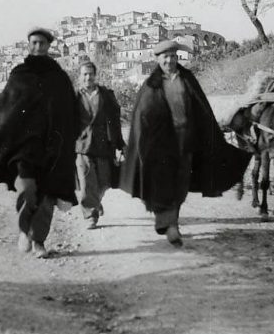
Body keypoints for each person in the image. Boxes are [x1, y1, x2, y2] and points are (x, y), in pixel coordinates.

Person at [0, 28, 78, 258]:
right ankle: (24, 230)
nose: (38, 47)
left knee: (47, 197)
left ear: (49, 46)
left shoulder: (58, 77)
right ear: (28, 45)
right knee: (27, 190)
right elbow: (4, 109)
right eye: (34, 43)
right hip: (23, 148)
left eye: (42, 43)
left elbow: (69, 112)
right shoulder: (19, 73)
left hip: (50, 149)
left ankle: (39, 242)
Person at [120, 40, 252, 246]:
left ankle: (170, 221)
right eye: (165, 57)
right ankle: (169, 224)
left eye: (173, 56)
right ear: (158, 59)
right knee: (163, 183)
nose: (170, 60)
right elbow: (142, 116)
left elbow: (201, 109)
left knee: (181, 184)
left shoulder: (187, 79)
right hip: (160, 145)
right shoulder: (151, 85)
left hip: (186, 141)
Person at [75, 61, 125, 229]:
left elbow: (115, 120)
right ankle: (90, 214)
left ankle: (95, 201)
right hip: (83, 145)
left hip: (104, 144)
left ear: (95, 75)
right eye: (84, 74)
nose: (88, 77)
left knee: (104, 181)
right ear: (80, 76)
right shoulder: (74, 96)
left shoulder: (105, 95)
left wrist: (120, 144)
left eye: (90, 74)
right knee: (87, 180)